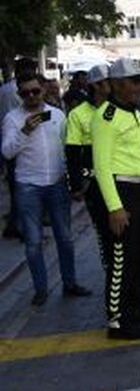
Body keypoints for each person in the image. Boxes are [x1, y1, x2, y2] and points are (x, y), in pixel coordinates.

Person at [2, 72, 90, 307]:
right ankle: (41, 289)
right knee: (33, 242)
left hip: (57, 184)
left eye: (35, 91)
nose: (30, 97)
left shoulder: (58, 115)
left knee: (65, 238)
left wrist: (75, 184)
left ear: (43, 90)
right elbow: (7, 152)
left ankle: (70, 283)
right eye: (25, 93)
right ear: (19, 95)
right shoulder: (12, 118)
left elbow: (67, 150)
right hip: (28, 186)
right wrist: (24, 131)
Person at [91, 58, 140, 340]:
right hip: (121, 192)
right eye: (134, 81)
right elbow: (102, 166)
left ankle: (134, 310)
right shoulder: (106, 116)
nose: (139, 86)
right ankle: (117, 321)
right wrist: (115, 207)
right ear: (116, 84)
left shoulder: (135, 112)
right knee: (121, 260)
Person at [0, 57, 38, 239]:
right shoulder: (25, 91)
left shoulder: (4, 89)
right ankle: (23, 228)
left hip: (7, 138)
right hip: (24, 140)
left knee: (15, 187)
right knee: (23, 188)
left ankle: (14, 224)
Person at [65, 64, 110, 206]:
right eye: (109, 82)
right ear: (96, 86)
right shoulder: (77, 114)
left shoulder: (118, 109)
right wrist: (76, 186)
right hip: (93, 180)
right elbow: (73, 152)